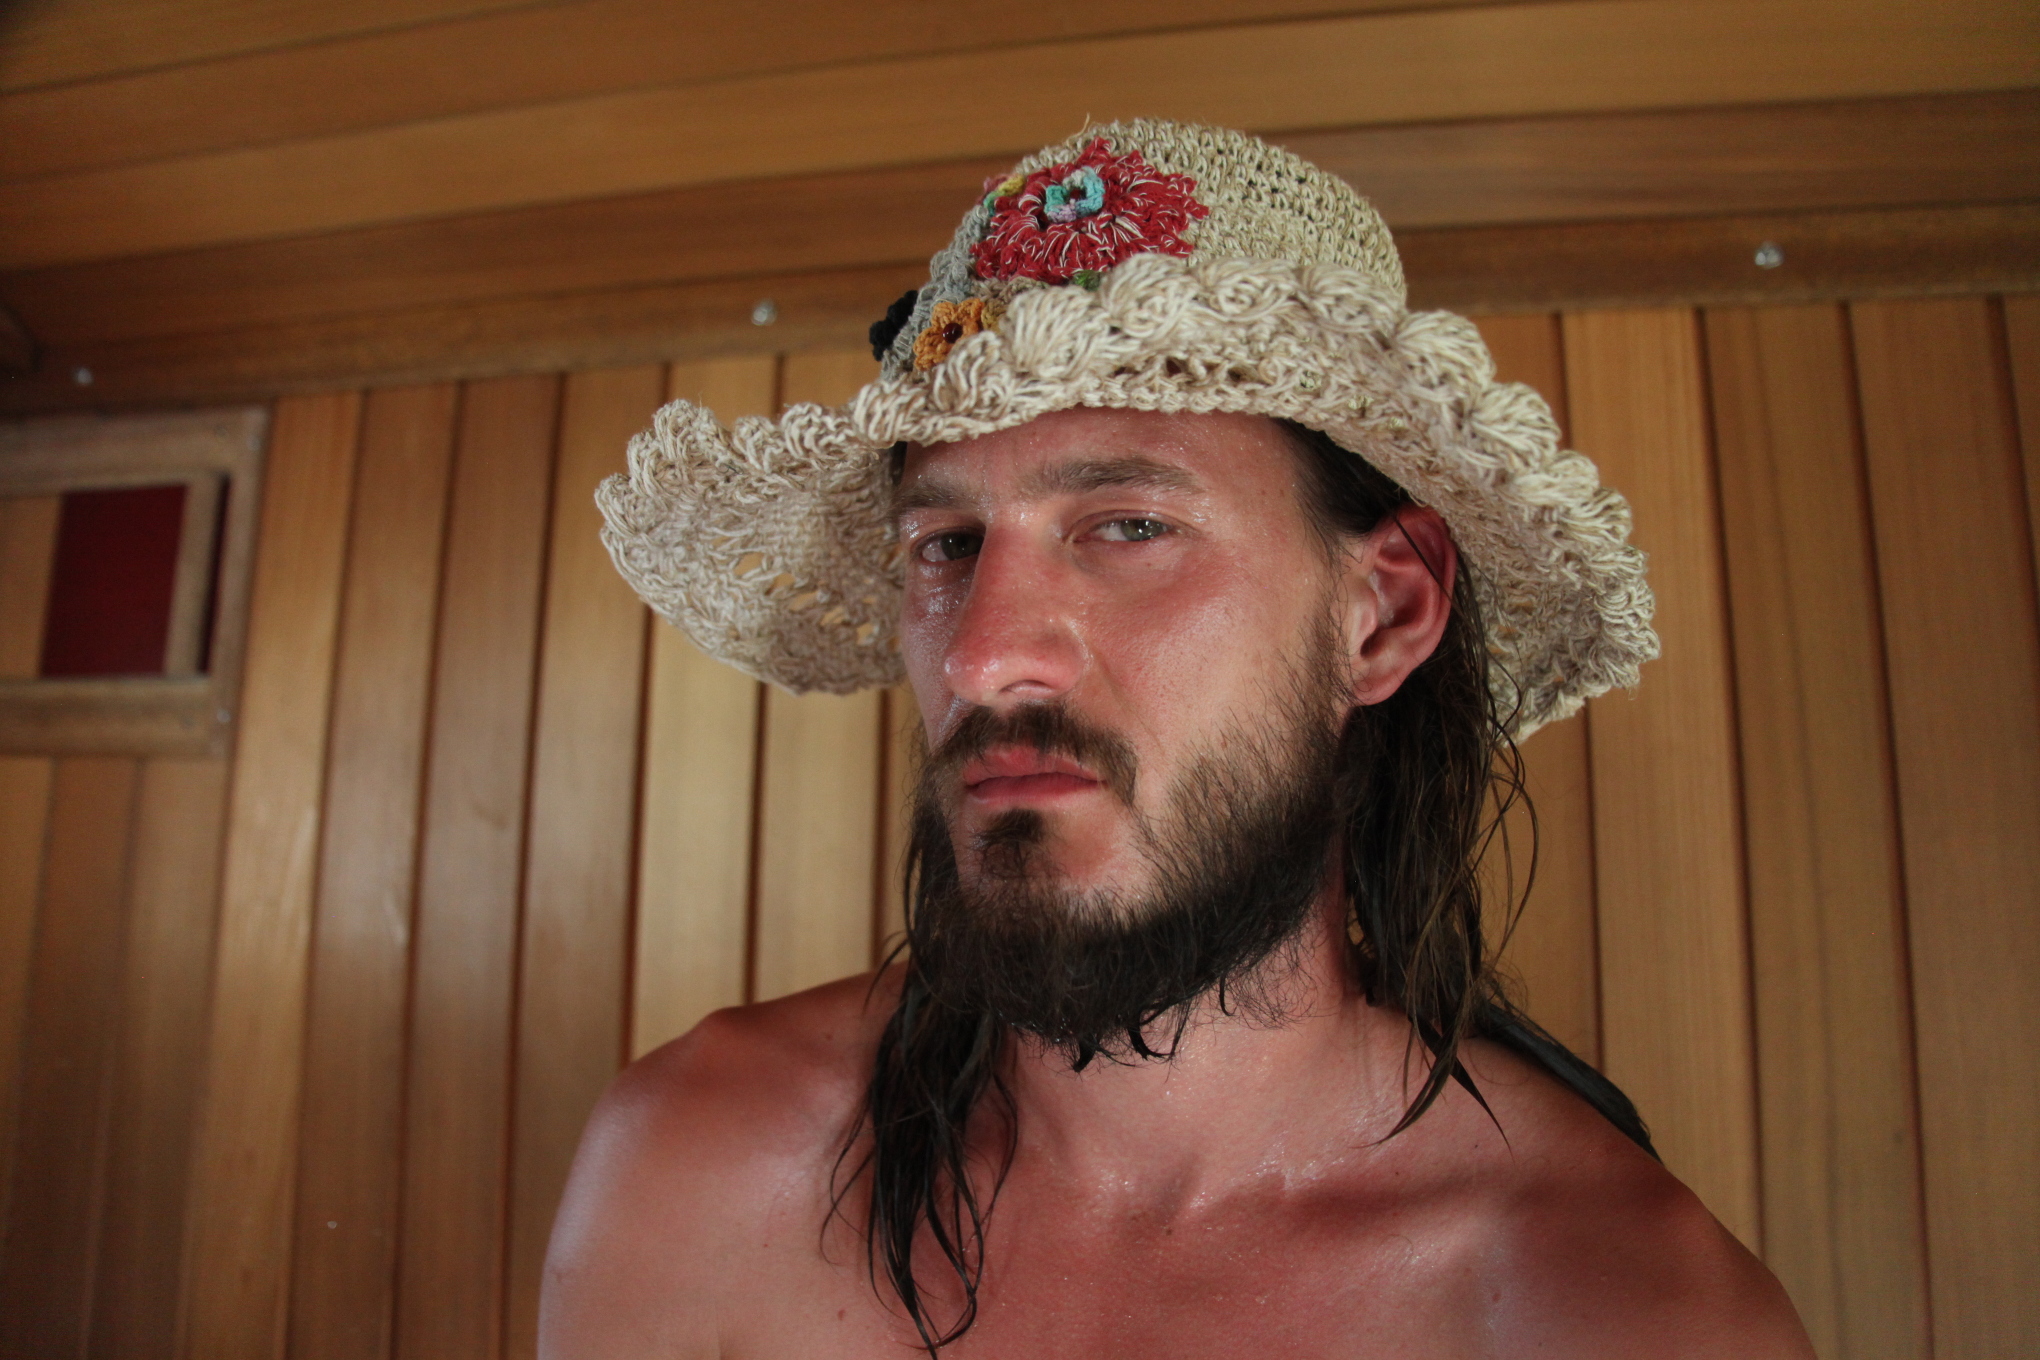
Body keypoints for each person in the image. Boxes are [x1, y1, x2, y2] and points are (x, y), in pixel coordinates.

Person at [545, 121, 1813, 1357]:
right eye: (948, 545)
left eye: (1130, 525)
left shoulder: (1623, 1313)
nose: (982, 656)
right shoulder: (699, 1167)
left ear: (1382, 618)